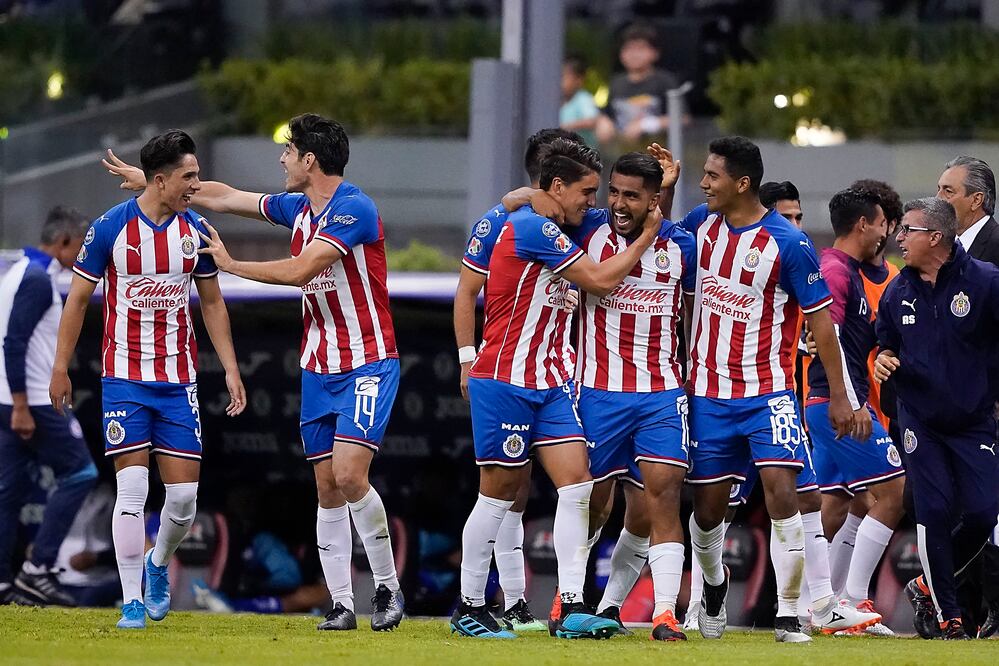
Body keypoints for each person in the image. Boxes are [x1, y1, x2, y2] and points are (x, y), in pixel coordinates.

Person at [105, 114, 406, 632]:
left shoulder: (353, 208)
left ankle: (386, 587)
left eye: (288, 151)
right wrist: (155, 182)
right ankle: (340, 602)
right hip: (318, 366)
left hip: (367, 361)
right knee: (326, 488)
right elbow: (229, 197)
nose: (282, 158)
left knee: (350, 475)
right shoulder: (300, 208)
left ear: (310, 160)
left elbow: (299, 270)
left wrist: (231, 264)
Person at [450, 139, 660, 640]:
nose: (594, 201)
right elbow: (600, 281)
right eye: (587, 191)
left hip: (549, 380)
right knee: (497, 495)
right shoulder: (531, 228)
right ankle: (469, 606)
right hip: (505, 378)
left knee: (578, 485)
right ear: (557, 186)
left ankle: (569, 605)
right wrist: (644, 239)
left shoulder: (549, 222)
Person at [51, 130, 247, 630]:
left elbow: (211, 302)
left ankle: (158, 562)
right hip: (125, 379)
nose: (196, 185)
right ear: (161, 181)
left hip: (178, 382)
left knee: (183, 503)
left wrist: (229, 366)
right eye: (189, 177)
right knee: (132, 491)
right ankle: (132, 600)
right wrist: (60, 366)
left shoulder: (196, 230)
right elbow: (77, 301)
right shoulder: (109, 229)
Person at [677, 136, 858, 643]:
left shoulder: (788, 242)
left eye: (712, 175)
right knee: (708, 510)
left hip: (769, 393)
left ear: (742, 183)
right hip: (708, 394)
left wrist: (841, 396)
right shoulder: (700, 224)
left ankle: (788, 613)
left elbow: (822, 324)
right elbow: (661, 239)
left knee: (785, 492)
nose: (704, 183)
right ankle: (713, 587)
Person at [454, 127, 581, 633]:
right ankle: (487, 601)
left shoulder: (577, 218)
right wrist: (467, 358)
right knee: (505, 488)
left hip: (551, 373)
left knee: (531, 489)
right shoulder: (499, 220)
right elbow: (466, 292)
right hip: (504, 371)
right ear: (549, 176)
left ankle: (521, 603)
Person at [571, 152, 696, 641]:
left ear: (654, 200)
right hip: (597, 392)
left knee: (658, 502)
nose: (619, 204)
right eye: (614, 192)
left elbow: (694, 315)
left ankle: (664, 613)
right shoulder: (588, 229)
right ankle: (571, 600)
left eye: (632, 195)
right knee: (594, 505)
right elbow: (529, 202)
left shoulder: (680, 244)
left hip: (661, 394)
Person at [875, 197, 999, 640]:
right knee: (934, 509)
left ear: (935, 237)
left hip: (974, 420)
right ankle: (950, 617)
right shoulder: (898, 289)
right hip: (919, 421)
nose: (898, 238)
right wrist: (883, 359)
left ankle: (927, 584)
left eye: (907, 230)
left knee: (985, 514)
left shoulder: (985, 282)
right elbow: (885, 342)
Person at [804, 188, 906, 629]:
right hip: (836, 403)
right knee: (893, 492)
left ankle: (819, 607)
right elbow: (833, 339)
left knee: (848, 501)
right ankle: (855, 600)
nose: (886, 232)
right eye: (883, 223)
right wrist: (851, 401)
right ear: (864, 223)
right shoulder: (835, 271)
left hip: (828, 401)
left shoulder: (850, 270)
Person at [0, 206, 98, 607]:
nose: (81, 256)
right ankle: (37, 569)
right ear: (63, 242)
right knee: (80, 473)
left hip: (7, 398)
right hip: (35, 399)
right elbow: (14, 342)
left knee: (9, 492)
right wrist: (23, 405)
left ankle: (3, 583)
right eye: (80, 246)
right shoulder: (38, 281)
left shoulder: (16, 271)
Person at [935, 157, 999, 638]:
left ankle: (991, 611)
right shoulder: (940, 254)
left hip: (988, 403)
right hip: (949, 408)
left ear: (977, 200)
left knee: (989, 510)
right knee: (965, 508)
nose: (939, 199)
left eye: (948, 190)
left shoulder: (996, 250)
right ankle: (966, 612)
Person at [595, 25, 680, 146]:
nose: (634, 54)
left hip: (656, 152)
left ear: (655, 52)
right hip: (622, 152)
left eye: (640, 49)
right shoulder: (616, 82)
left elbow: (682, 119)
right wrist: (603, 122)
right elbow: (607, 114)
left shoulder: (665, 81)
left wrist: (646, 124)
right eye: (628, 49)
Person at [937, 156, 999, 265]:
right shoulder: (939, 246)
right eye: (939, 189)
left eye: (948, 191)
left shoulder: (995, 245)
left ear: (976, 200)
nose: (937, 198)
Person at [559, 55, 600, 148]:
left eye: (563, 77)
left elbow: (591, 121)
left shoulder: (583, 98)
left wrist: (566, 126)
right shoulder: (554, 101)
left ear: (579, 80)